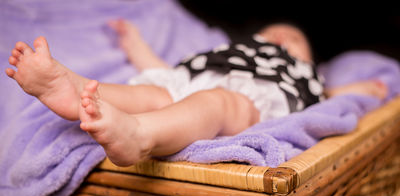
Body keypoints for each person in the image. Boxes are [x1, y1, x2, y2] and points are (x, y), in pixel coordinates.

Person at [5, 20, 388, 167]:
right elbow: (156, 65)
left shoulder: (309, 77)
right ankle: (73, 89)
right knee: (154, 90)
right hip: (188, 80)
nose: (283, 36)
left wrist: (367, 89)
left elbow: (337, 93)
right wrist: (133, 41)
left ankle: (140, 135)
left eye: (295, 38)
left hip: (249, 101)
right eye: (274, 32)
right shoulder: (228, 53)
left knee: (215, 104)